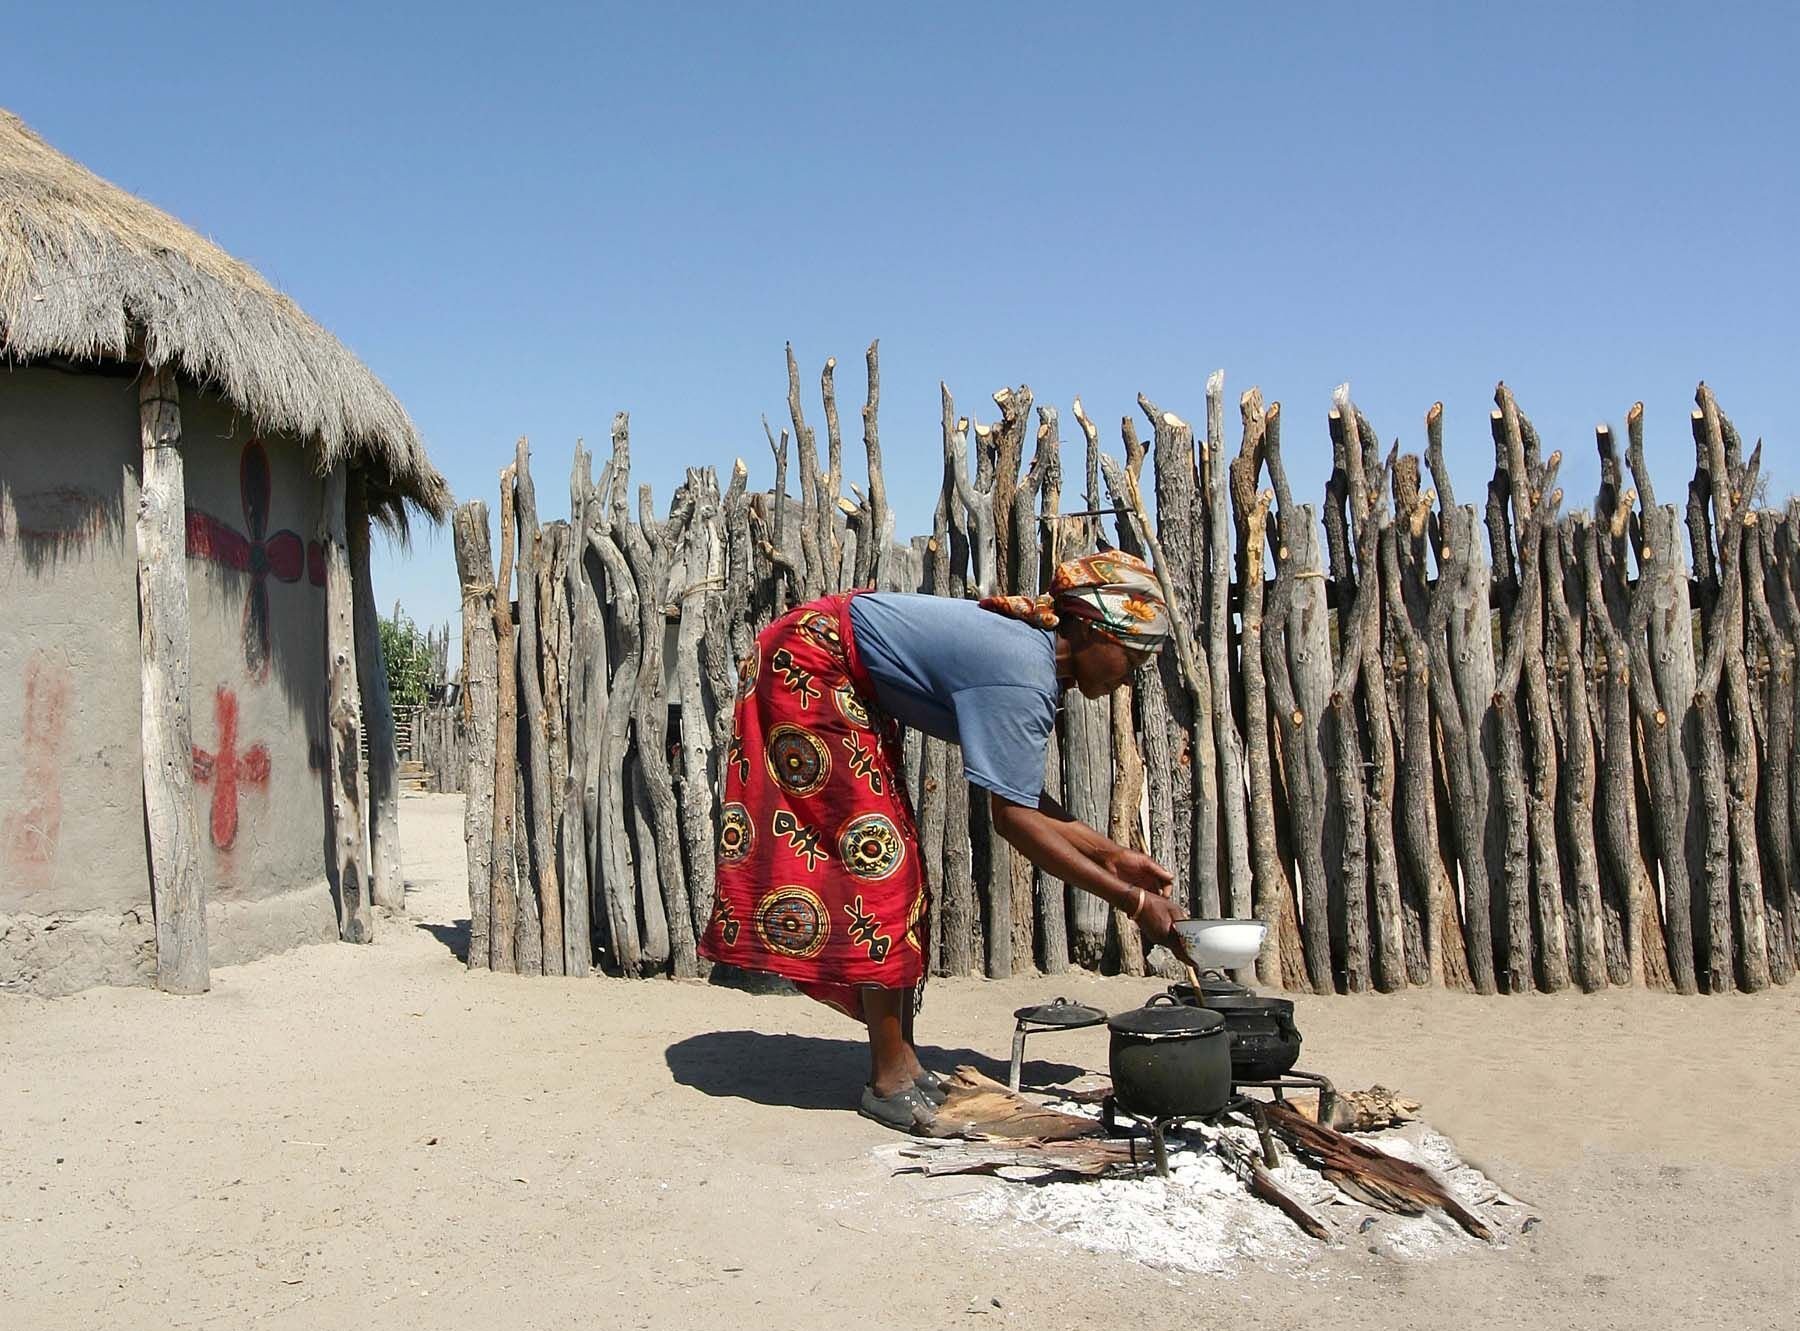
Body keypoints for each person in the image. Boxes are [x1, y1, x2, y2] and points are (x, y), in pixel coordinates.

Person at [698, 550, 1188, 1131]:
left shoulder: (1034, 667)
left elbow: (1020, 798)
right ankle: (890, 1079)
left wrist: (1114, 856)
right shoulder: (1024, 672)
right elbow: (1014, 821)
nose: (1128, 675)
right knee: (880, 869)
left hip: (835, 667)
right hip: (808, 664)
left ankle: (902, 1060)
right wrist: (1132, 902)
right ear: (1086, 627)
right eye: (1130, 656)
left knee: (894, 866)